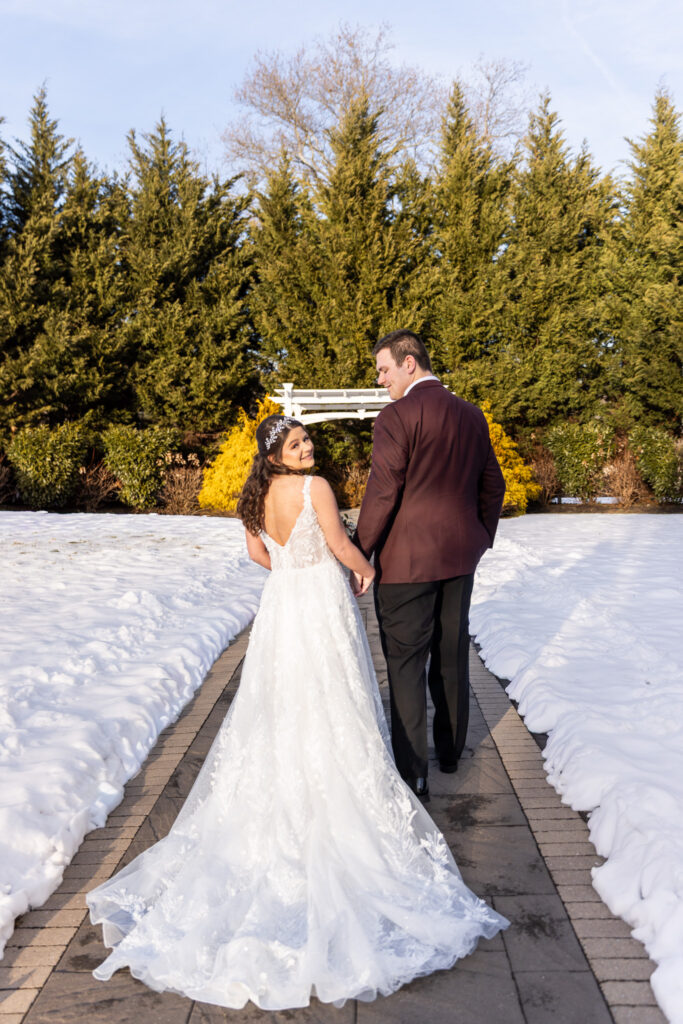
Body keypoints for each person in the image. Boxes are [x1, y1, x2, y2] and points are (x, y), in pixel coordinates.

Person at [86, 414, 507, 1010]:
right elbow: (338, 544)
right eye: (296, 443)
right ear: (277, 453)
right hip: (319, 601)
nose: (307, 448)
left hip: (282, 604)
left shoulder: (257, 496)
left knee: (281, 701)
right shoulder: (317, 489)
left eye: (307, 440)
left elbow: (259, 555)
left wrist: (290, 569)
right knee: (333, 695)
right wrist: (366, 569)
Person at [355, 330, 506, 801]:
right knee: (450, 653)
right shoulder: (471, 414)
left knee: (405, 665)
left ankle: (414, 775)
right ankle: (450, 753)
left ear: (410, 364)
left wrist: (359, 551)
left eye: (384, 369)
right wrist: (480, 539)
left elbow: (383, 492)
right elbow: (493, 486)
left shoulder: (396, 417)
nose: (380, 380)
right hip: (460, 559)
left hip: (405, 565)